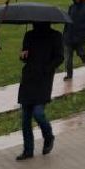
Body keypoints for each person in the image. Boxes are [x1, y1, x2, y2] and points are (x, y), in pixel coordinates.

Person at [17, 20, 63, 160]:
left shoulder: (55, 35)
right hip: (29, 77)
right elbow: (25, 55)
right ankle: (28, 150)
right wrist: (23, 55)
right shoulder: (29, 35)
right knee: (25, 118)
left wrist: (47, 69)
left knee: (38, 112)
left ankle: (48, 136)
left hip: (43, 78)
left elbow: (60, 57)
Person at [62, 0, 85, 79]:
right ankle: (69, 75)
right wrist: (64, 33)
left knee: (81, 53)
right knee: (68, 57)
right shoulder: (71, 7)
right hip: (69, 36)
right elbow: (67, 21)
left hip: (81, 36)